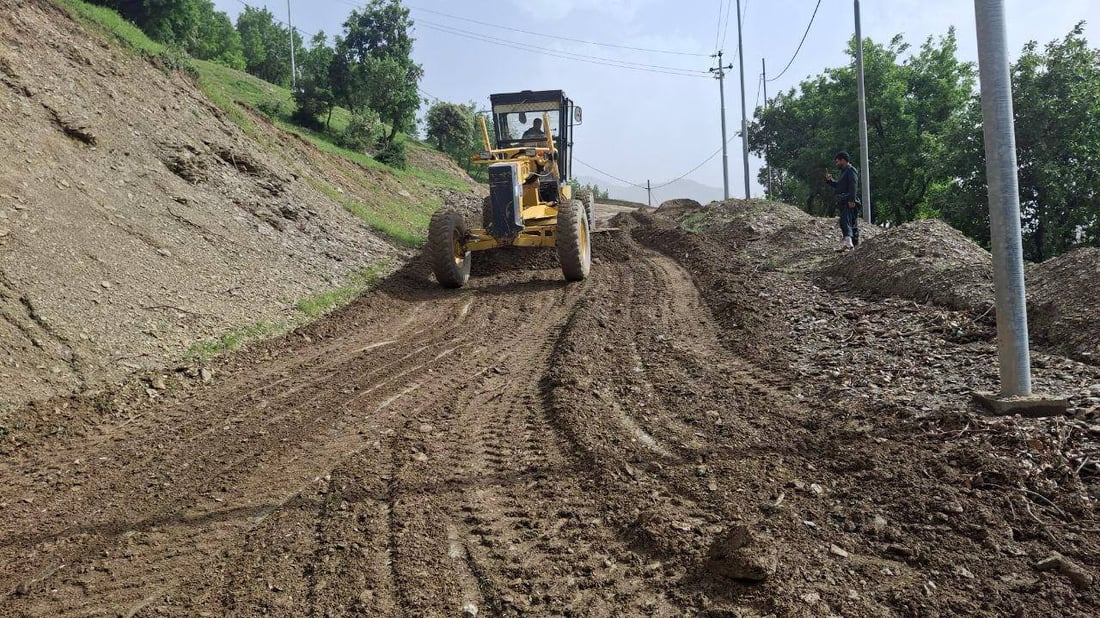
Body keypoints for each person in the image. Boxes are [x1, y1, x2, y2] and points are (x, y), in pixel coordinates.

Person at [825, 151, 860, 250]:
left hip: (849, 201)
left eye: (837, 162)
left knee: (845, 221)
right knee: (852, 223)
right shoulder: (844, 172)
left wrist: (851, 200)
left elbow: (853, 186)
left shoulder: (850, 170)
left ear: (843, 160)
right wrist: (829, 181)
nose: (837, 164)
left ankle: (849, 244)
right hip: (845, 201)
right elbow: (839, 186)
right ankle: (855, 246)